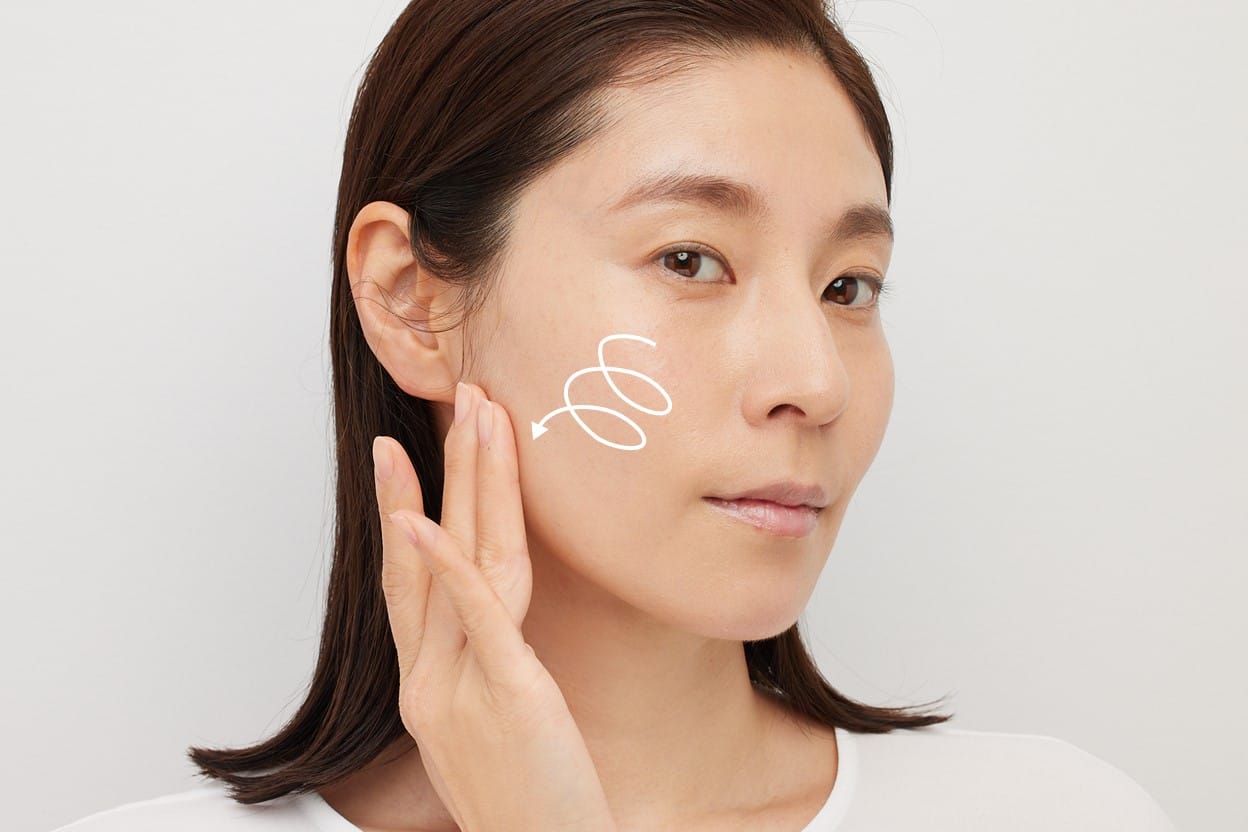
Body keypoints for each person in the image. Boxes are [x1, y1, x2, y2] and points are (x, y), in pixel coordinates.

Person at [55, 0, 1178, 830]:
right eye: (690, 259)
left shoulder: (1059, 815)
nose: (816, 382)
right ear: (412, 300)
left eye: (849, 285)